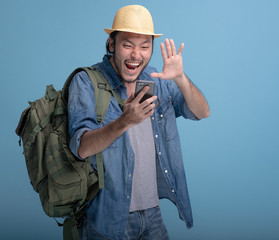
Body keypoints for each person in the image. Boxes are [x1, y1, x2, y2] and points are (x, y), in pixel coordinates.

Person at [68, 5, 209, 240]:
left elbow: (202, 112)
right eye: (127, 45)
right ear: (112, 45)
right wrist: (125, 121)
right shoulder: (86, 82)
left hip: (152, 213)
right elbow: (81, 148)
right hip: (107, 217)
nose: (136, 55)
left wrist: (180, 78)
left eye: (145, 46)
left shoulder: (155, 79)